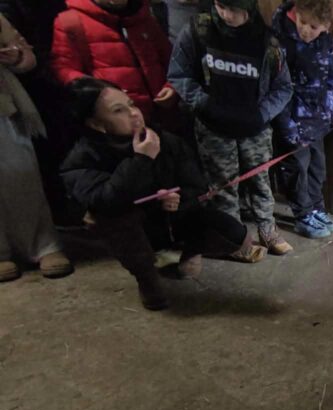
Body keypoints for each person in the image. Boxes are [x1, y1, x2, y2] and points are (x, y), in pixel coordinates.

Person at [60, 78, 267, 310]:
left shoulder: (164, 140)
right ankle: (147, 278)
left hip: (171, 219)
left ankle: (184, 252)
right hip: (134, 230)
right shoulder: (82, 159)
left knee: (234, 234)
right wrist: (142, 160)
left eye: (131, 104)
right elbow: (106, 201)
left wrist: (178, 199)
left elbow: (196, 185)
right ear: (96, 124)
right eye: (118, 110)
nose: (134, 113)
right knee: (115, 220)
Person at [168, 0, 295, 255]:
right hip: (213, 126)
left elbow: (283, 87)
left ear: (248, 8)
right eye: (221, 6)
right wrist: (205, 105)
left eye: (234, 9)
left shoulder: (268, 42)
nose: (226, 14)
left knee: (260, 181)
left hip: (254, 126)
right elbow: (179, 75)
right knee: (223, 187)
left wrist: (262, 114)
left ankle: (267, 229)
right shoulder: (198, 30)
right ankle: (236, 240)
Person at [0, 13, 74, 282]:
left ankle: (43, 245)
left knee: (22, 176)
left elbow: (26, 55)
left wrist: (15, 56)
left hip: (5, 110)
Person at [270, 0, 333, 239]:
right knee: (296, 167)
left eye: (314, 27)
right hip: (291, 116)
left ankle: (317, 207)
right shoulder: (278, 39)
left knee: (317, 165)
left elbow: (331, 75)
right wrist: (286, 125)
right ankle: (303, 215)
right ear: (295, 13)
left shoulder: (325, 40)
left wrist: (330, 109)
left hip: (316, 116)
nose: (307, 30)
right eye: (303, 22)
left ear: (325, 27)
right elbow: (274, 85)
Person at [51, 0, 176, 126]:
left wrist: (171, 86)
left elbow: (171, 59)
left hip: (163, 114)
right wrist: (101, 92)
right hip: (118, 122)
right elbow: (64, 70)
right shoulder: (71, 22)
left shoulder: (142, 15)